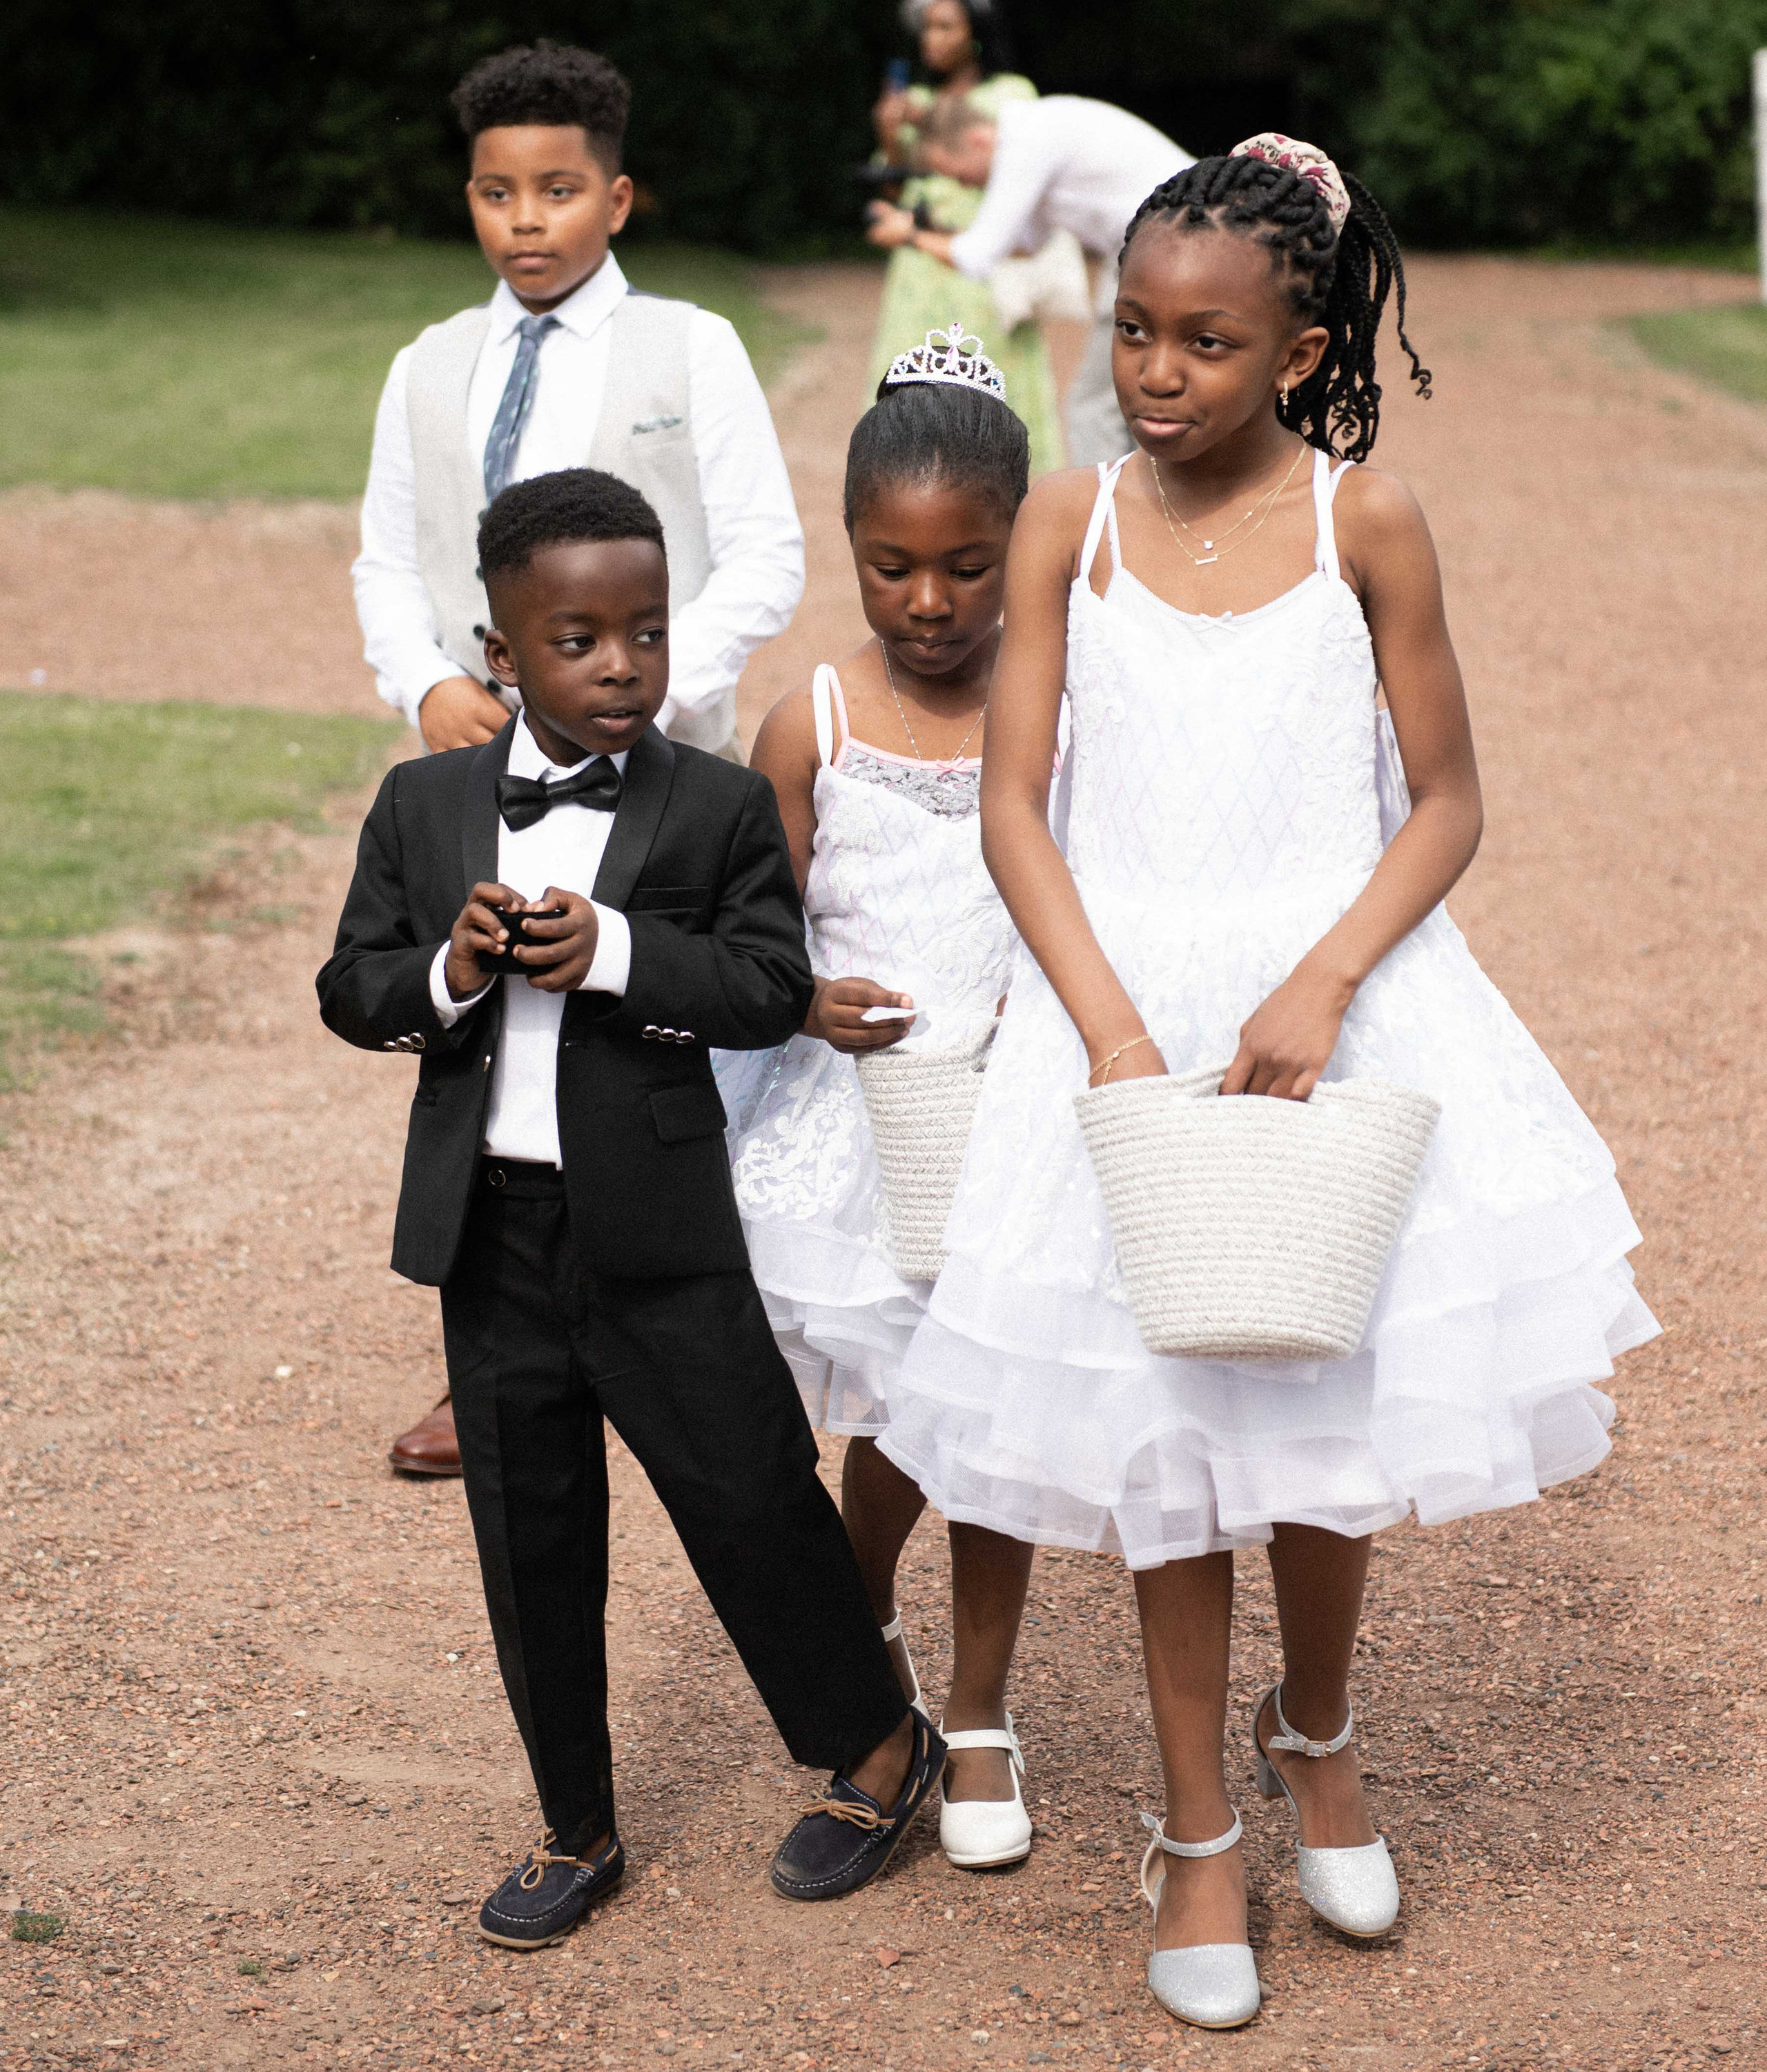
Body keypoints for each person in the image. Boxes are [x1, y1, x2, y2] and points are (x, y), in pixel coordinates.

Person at [881, 138, 1657, 2029]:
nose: (1157, 369)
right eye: (1136, 329)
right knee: (1167, 1431)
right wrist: (1108, 1027)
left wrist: (1323, 976)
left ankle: (1316, 1724)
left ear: (1299, 348)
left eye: (1206, 341)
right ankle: (1199, 1826)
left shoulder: (1363, 524)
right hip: (1121, 1000)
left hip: (1338, 1002)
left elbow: (1451, 796)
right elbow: (1012, 796)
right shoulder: (1067, 519)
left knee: (1318, 1401)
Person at [318, 467, 949, 1943]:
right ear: (502, 652)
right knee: (527, 1524)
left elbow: (760, 987)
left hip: (656, 1222)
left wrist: (607, 947)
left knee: (743, 1489)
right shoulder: (420, 806)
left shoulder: (715, 805)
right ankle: (573, 1822)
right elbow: (354, 987)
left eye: (646, 633)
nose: (621, 667)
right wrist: (451, 975)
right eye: (579, 641)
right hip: (492, 1231)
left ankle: (875, 1741)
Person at [353, 38, 804, 1480]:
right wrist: (429, 683)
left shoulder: (687, 347)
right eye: (496, 193)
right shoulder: (430, 368)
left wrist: (644, 704)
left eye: (557, 190)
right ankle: (494, 1358)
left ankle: (678, 1339)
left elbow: (765, 551)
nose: (526, 220)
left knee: (656, 1045)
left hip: (647, 761)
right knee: (483, 1036)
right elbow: (384, 556)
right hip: (482, 764)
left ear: (618, 197)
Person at [718, 327, 1037, 1872]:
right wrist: (796, 996)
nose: (928, 602)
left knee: (989, 1415)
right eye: (890, 567)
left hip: (1009, 1107)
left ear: (1014, 550)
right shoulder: (812, 722)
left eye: (968, 568)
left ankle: (977, 1711)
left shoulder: (1054, 706)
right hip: (858, 1121)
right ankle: (861, 1646)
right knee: (892, 1416)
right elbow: (747, 933)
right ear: (850, 551)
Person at [868, 90, 1187, 467]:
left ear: (978, 140)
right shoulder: (1034, 131)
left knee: (1092, 408)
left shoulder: (1025, 141)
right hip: (1155, 252)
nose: (965, 185)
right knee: (1129, 399)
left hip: (1170, 250)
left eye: (961, 174)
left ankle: (1102, 515)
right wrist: (927, 229)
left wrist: (909, 235)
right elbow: (1023, 246)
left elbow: (981, 256)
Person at [863, 0, 1060, 473]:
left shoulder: (1010, 94)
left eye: (946, 25)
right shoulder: (919, 99)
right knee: (913, 387)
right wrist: (889, 136)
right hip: (919, 270)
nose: (932, 38)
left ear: (977, 33)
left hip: (981, 264)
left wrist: (921, 118)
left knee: (987, 386)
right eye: (928, 26)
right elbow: (896, 184)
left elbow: (1003, 157)